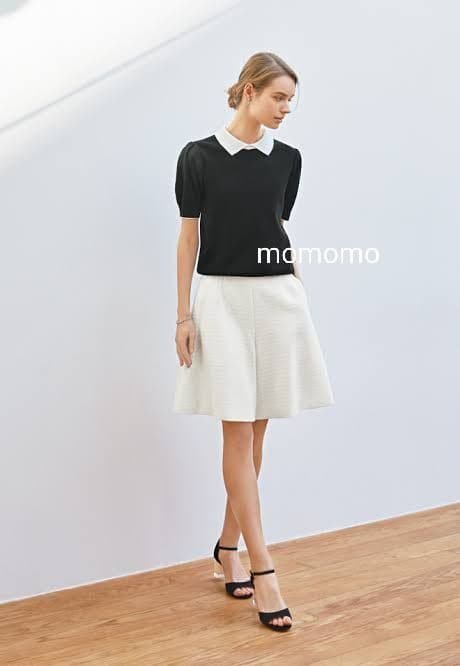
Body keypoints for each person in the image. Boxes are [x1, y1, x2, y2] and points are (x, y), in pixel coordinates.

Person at [173, 52, 334, 632]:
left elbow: (275, 228)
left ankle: (227, 546)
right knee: (236, 430)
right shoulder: (197, 156)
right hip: (220, 301)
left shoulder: (288, 159)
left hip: (277, 299)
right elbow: (188, 239)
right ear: (248, 91)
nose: (287, 108)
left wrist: (297, 292)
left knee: (257, 431)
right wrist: (183, 316)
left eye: (291, 100)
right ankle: (264, 568)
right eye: (278, 97)